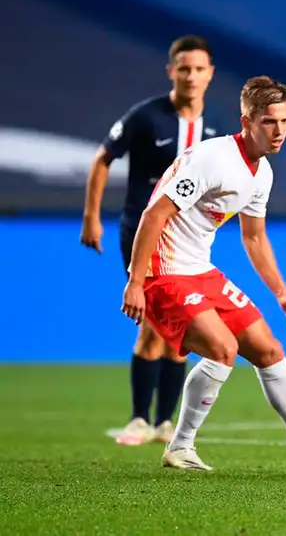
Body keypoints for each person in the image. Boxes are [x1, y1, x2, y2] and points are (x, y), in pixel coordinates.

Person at [120, 76, 286, 471]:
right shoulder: (211, 159)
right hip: (163, 273)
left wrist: (282, 293)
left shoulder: (261, 173)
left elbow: (254, 238)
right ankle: (180, 446)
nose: (280, 131)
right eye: (270, 122)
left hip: (200, 270)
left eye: (285, 121)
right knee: (223, 350)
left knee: (269, 350)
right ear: (247, 121)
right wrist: (135, 281)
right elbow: (153, 215)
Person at [82, 35, 223, 446]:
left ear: (210, 74)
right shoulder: (146, 116)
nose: (191, 76)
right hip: (142, 234)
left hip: (189, 242)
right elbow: (102, 158)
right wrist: (92, 216)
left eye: (199, 69)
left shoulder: (214, 130)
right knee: (152, 326)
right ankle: (140, 419)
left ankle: (165, 423)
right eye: (184, 68)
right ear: (171, 71)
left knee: (180, 332)